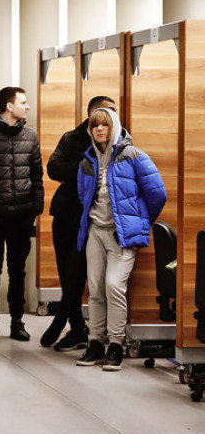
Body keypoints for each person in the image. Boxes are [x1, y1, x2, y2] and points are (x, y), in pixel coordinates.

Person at [75, 107, 166, 370]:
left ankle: (115, 343)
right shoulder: (87, 160)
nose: (99, 130)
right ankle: (95, 342)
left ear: (114, 126)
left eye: (104, 125)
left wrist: (137, 222)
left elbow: (157, 194)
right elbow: (84, 197)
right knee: (95, 288)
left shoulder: (134, 156)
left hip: (122, 235)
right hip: (95, 232)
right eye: (94, 126)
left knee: (114, 285)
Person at [42, 96, 118, 351]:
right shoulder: (72, 137)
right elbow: (53, 168)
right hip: (66, 214)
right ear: (91, 115)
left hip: (95, 219)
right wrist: (88, 168)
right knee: (67, 274)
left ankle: (66, 322)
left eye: (113, 112)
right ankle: (76, 329)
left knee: (80, 275)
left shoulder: (118, 140)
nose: (110, 117)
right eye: (106, 111)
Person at [0, 87, 44, 342]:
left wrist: (37, 206)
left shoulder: (30, 135)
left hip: (22, 215)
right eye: (23, 103)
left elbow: (36, 173)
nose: (27, 107)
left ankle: (17, 322)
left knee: (18, 271)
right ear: (8, 106)